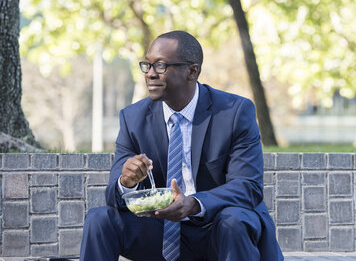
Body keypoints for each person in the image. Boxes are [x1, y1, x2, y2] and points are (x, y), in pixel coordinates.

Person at [80, 30, 283, 261]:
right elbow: (113, 197)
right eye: (147, 65)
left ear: (192, 71)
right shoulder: (133, 118)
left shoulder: (234, 112)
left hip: (216, 230)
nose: (150, 74)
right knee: (99, 219)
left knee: (235, 220)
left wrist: (194, 204)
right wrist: (125, 183)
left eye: (160, 66)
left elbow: (248, 187)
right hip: (161, 232)